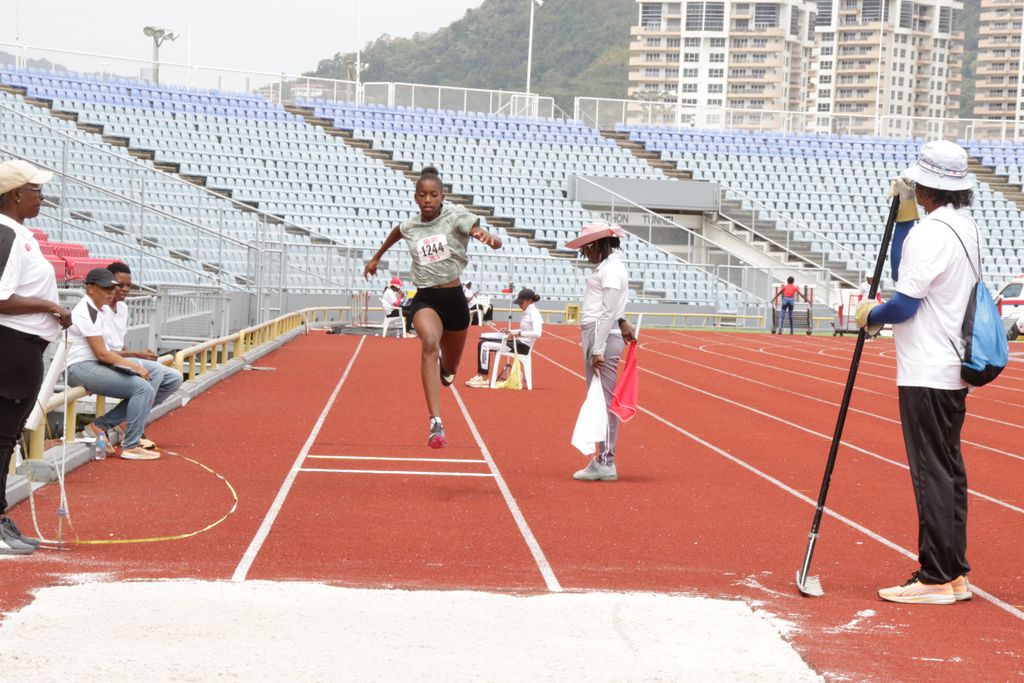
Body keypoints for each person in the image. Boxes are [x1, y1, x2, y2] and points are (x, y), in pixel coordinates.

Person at [855, 139, 978, 605]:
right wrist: (906, 218)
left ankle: (935, 578)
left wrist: (873, 313)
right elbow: (907, 272)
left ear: (925, 186)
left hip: (927, 368)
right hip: (949, 367)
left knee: (931, 473)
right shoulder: (962, 226)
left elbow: (904, 304)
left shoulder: (934, 233)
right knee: (948, 471)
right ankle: (954, 573)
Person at [363, 166, 502, 448]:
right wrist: (377, 257)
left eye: (433, 195)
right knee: (428, 342)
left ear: (442, 197)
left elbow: (475, 229)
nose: (427, 200)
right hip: (426, 298)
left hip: (455, 301)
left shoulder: (455, 217)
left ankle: (446, 370)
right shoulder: (412, 226)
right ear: (416, 198)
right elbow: (396, 233)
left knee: (449, 371)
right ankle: (435, 421)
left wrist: (487, 237)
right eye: (422, 195)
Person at [0, 160, 71, 555]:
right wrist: (50, 306)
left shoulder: (17, 233)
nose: (41, 196)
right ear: (15, 194)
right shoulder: (6, 235)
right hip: (11, 347)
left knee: (6, 439)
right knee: (1, 437)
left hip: (21, 347)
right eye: (35, 189)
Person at [81, 261, 183, 450]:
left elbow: (119, 343)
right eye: (120, 285)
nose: (125, 290)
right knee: (153, 374)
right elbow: (104, 351)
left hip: (117, 358)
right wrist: (136, 357)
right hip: (104, 360)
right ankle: (129, 429)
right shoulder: (99, 309)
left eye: (129, 286)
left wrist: (134, 357)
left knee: (174, 378)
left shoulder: (123, 308)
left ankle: (127, 421)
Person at [66, 268, 160, 461]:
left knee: (153, 380)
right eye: (106, 288)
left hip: (94, 364)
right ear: (90, 288)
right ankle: (131, 445)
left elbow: (105, 353)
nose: (111, 293)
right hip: (80, 367)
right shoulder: (86, 311)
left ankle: (104, 426)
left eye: (112, 289)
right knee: (143, 388)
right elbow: (102, 353)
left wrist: (131, 363)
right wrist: (134, 367)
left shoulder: (98, 310)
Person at [567, 221, 635, 482]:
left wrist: (597, 349)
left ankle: (606, 461)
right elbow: (611, 310)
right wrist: (622, 321)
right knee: (598, 400)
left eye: (586, 248)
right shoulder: (608, 267)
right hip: (600, 333)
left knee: (604, 403)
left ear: (597, 244)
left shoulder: (612, 269)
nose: (585, 253)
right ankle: (603, 458)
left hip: (601, 336)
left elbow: (608, 310)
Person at [464, 288, 543, 388]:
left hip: (522, 346)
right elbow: (526, 330)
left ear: (530, 301)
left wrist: (517, 333)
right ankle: (480, 376)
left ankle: (483, 378)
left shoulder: (534, 313)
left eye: (521, 302)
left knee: (484, 345)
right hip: (518, 342)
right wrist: (511, 332)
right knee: (484, 340)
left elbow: (537, 333)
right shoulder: (528, 312)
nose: (519, 305)